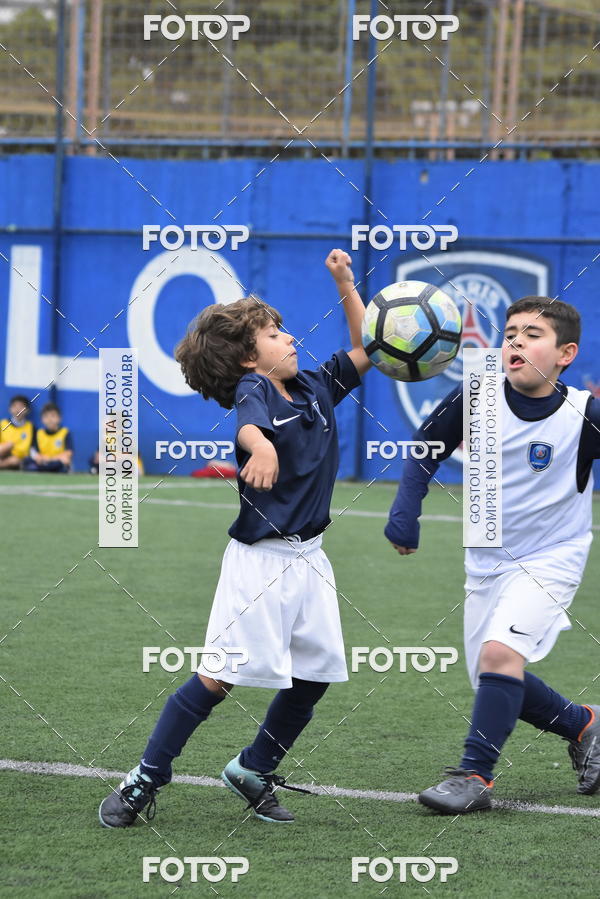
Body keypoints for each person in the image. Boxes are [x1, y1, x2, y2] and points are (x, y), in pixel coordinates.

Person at [99, 249, 371, 828]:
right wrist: (262, 445)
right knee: (217, 678)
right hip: (260, 566)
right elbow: (247, 424)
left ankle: (253, 767)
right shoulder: (258, 389)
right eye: (274, 334)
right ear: (250, 358)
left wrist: (345, 283)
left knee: (315, 676)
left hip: (311, 559)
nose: (289, 337)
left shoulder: (315, 385)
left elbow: (367, 347)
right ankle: (145, 776)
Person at [385, 296, 600, 813]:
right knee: (493, 678)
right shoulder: (476, 395)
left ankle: (473, 776)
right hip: (485, 563)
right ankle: (585, 725)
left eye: (532, 334)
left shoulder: (585, 414)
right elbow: (425, 448)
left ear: (566, 354)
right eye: (509, 334)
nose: (516, 341)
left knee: (500, 656)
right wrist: (405, 510)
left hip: (552, 557)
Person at [22, 402, 73, 473]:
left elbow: (68, 453)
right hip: (43, 462)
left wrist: (51, 459)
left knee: (64, 463)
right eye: (46, 416)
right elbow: (34, 451)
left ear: (59, 418)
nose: (49, 419)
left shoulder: (65, 432)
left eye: (53, 416)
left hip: (57, 462)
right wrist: (38, 457)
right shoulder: (39, 433)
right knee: (27, 461)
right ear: (41, 419)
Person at [0, 395, 34, 469]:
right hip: (2, 454)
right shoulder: (2, 424)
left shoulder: (31, 427)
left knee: (14, 461)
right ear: (10, 409)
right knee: (8, 445)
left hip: (18, 458)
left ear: (27, 410)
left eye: (21, 407)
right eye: (15, 406)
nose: (18, 410)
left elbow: (32, 448)